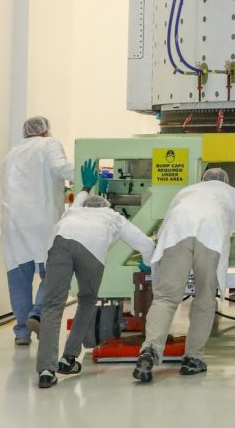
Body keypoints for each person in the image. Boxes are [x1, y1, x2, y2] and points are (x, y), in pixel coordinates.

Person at [133, 167, 235, 383]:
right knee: (204, 301)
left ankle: (149, 350)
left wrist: (153, 258)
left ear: (202, 179)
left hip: (177, 235)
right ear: (226, 182)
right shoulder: (233, 195)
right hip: (211, 237)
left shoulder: (187, 191)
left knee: (165, 298)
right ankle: (193, 359)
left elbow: (165, 227)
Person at [35, 159, 154, 389]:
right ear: (106, 206)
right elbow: (145, 244)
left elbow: (80, 197)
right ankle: (69, 357)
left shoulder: (77, 209)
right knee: (87, 299)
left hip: (60, 243)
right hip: (92, 249)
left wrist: (87, 186)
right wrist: (149, 265)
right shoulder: (113, 216)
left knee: (52, 306)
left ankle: (47, 371)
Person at [0, 116, 74, 346]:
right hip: (41, 220)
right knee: (53, 269)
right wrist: (88, 176)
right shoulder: (49, 144)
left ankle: (22, 332)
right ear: (46, 131)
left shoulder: (11, 153)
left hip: (12, 222)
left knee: (18, 276)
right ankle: (38, 313)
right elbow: (61, 168)